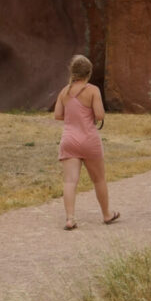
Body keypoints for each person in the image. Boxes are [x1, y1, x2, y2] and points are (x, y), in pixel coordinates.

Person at [53, 54, 119, 230]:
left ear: (72, 72)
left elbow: (58, 115)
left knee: (69, 181)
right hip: (89, 139)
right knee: (98, 180)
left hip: (69, 140)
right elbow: (99, 115)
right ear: (89, 73)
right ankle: (106, 214)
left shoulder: (64, 92)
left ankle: (70, 218)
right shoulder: (93, 91)